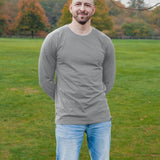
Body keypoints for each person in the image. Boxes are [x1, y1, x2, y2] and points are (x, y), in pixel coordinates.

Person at [38, 0, 115, 159]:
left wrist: (92, 98)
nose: (82, 8)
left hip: (100, 119)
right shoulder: (54, 39)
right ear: (71, 7)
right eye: (78, 4)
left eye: (87, 5)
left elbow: (108, 81)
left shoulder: (105, 41)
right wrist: (65, 101)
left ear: (93, 10)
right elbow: (45, 79)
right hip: (68, 120)